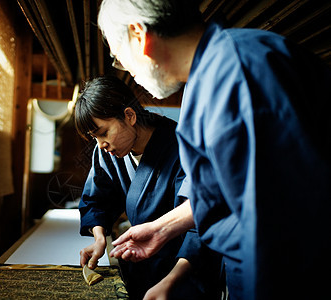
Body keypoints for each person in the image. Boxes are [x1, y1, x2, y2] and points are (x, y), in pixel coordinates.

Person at [97, 1, 331, 300]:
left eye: (119, 58)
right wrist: (161, 228)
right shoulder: (207, 78)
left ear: (138, 35)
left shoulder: (239, 71)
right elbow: (219, 191)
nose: (126, 69)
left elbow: (274, 217)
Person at [75, 76, 223, 300]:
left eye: (104, 133)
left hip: (185, 270)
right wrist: (99, 239)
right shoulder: (108, 152)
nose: (101, 145)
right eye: (94, 138)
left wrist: (170, 283)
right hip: (140, 265)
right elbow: (96, 200)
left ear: (129, 116)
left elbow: (199, 225)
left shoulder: (181, 146)